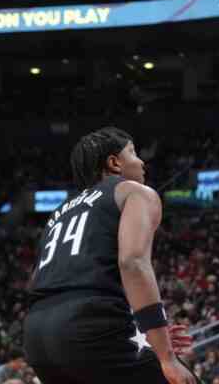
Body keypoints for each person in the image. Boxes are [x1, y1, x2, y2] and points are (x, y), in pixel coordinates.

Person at [23, 127, 196, 384]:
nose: (141, 161)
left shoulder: (58, 213)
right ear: (115, 163)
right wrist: (165, 354)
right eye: (133, 152)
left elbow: (36, 281)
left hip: (37, 337)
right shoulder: (134, 191)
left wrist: (145, 335)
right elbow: (132, 263)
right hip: (90, 326)